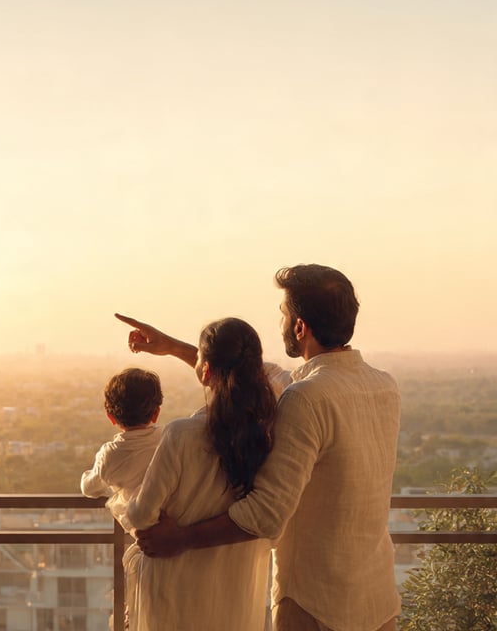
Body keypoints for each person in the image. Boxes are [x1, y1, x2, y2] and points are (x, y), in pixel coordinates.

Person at [116, 264, 402, 631]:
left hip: (318, 604)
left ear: (300, 327)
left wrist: (181, 539)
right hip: (377, 598)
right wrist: (173, 347)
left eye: (283, 314)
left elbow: (266, 514)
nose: (281, 322)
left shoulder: (307, 397)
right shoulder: (383, 386)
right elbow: (244, 378)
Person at [126, 317, 277, 631]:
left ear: (205, 371)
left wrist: (121, 494)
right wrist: (170, 347)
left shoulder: (182, 434)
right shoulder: (270, 432)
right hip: (237, 590)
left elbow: (141, 516)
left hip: (176, 590)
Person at [80, 367, 164, 627]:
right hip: (177, 537)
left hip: (144, 545)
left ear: (110, 416)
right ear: (156, 412)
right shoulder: (169, 440)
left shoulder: (111, 454)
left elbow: (90, 487)